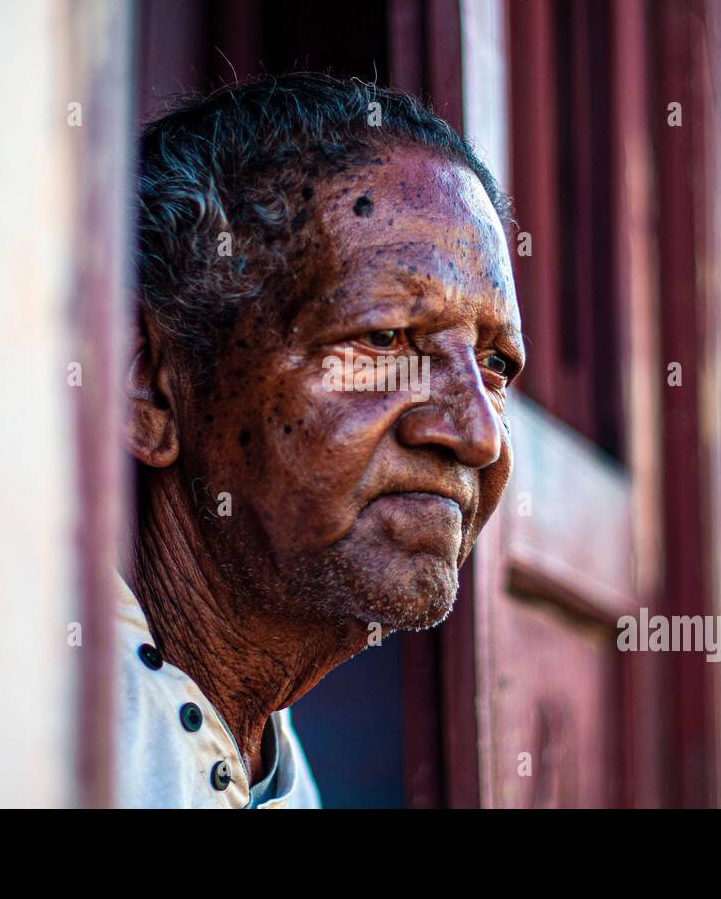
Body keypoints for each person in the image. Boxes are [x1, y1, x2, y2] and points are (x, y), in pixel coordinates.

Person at [116, 74, 524, 808]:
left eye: (495, 365)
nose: (477, 433)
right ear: (149, 384)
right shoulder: (6, 732)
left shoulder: (267, 760)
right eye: (385, 338)